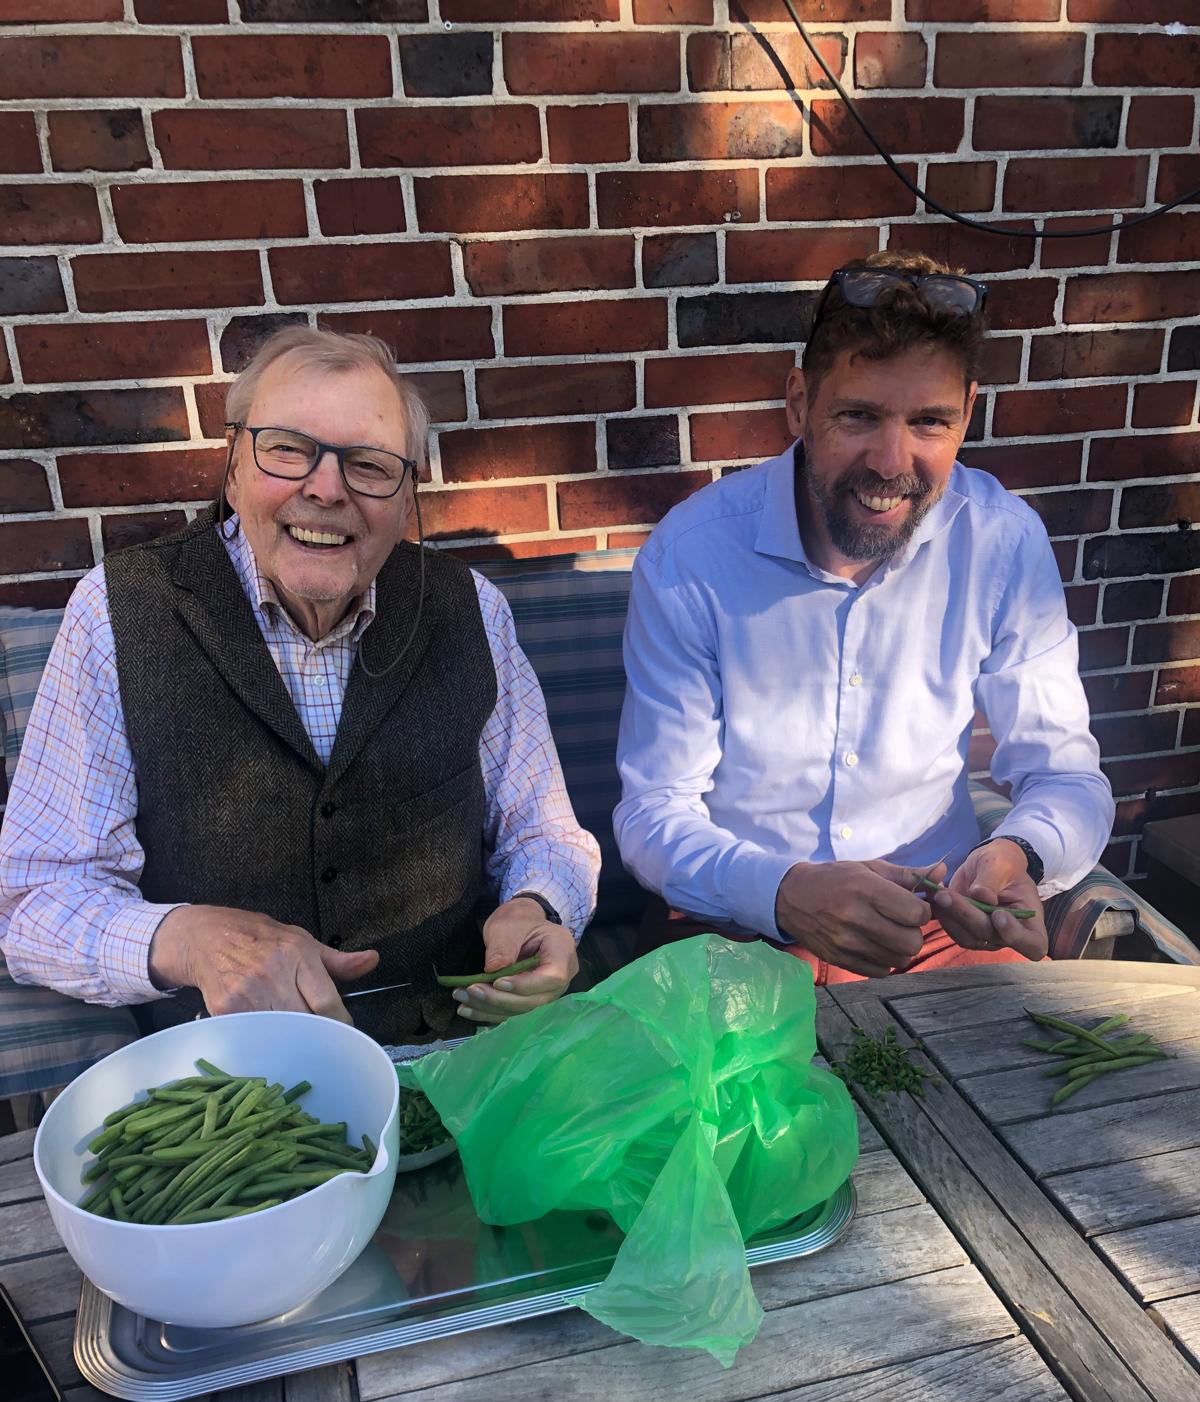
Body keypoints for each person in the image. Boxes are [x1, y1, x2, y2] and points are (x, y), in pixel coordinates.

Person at [0, 328, 600, 1041]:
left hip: (456, 1054)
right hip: (232, 1081)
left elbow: (546, 833)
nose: (325, 488)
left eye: (371, 465)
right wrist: (191, 942)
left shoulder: (472, 610)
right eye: (287, 449)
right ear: (233, 470)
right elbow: (36, 900)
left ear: (407, 497)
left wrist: (537, 908)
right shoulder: (116, 614)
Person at [615, 249, 1114, 982]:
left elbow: (1065, 774)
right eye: (859, 415)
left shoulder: (1002, 543)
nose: (891, 460)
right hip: (733, 925)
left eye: (929, 422)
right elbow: (654, 810)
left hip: (933, 923)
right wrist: (783, 893)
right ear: (797, 404)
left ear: (968, 414)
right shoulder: (691, 557)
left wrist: (1018, 855)